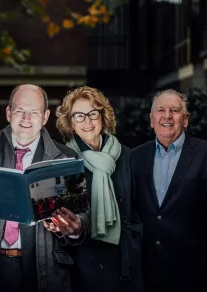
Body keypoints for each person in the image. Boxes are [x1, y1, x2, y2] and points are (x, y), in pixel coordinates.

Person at [0, 84, 80, 292]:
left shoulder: (65, 157)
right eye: (20, 111)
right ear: (8, 113)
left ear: (45, 116)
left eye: (34, 112)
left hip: (44, 267)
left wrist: (74, 228)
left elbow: (80, 211)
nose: (26, 119)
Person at [54, 86, 143, 292]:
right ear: (70, 123)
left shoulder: (126, 155)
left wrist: (135, 242)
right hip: (84, 264)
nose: (87, 121)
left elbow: (137, 208)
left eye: (93, 113)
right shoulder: (62, 158)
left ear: (103, 116)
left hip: (125, 263)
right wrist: (72, 231)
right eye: (79, 116)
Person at [131, 89, 207, 292]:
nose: (167, 116)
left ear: (185, 119)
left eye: (174, 111)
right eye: (160, 110)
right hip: (146, 271)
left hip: (192, 270)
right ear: (152, 120)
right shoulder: (135, 157)